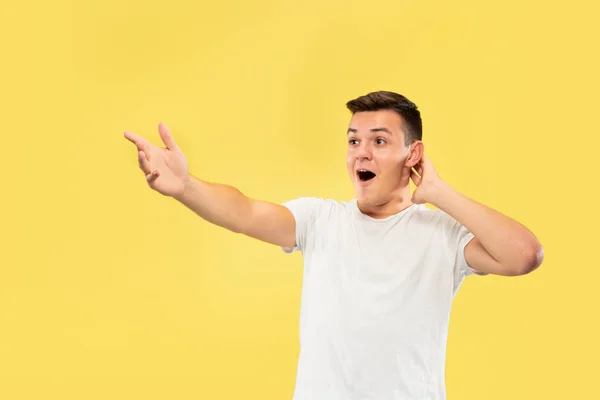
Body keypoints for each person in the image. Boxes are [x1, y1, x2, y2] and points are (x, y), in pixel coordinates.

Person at [124, 90, 544, 399]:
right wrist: (185, 187)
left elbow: (524, 255)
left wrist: (439, 192)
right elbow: (245, 212)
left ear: (413, 154)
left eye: (379, 141)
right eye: (353, 141)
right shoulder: (321, 221)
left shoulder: (444, 235)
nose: (361, 153)